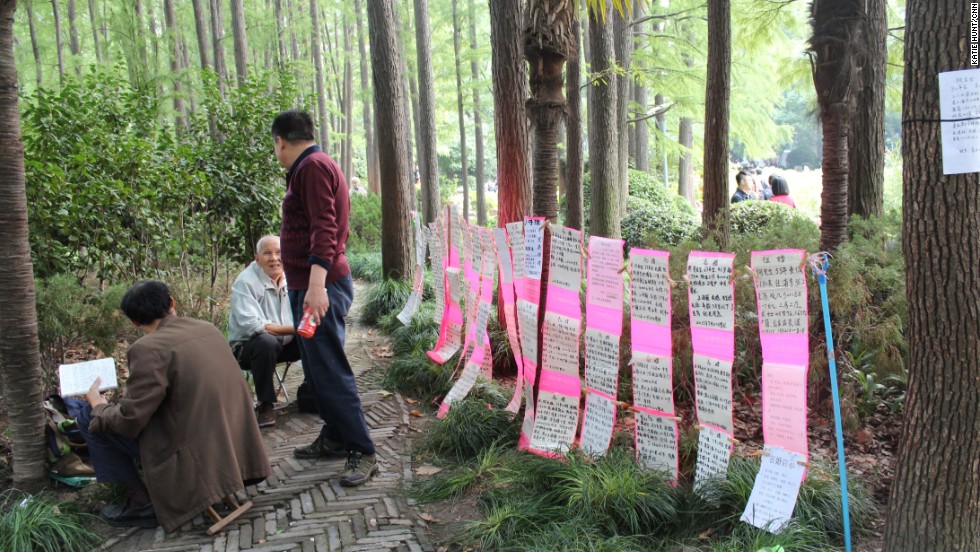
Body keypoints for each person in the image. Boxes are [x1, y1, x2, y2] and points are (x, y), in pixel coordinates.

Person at [66, 280, 270, 531]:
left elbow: (130, 420)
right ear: (171, 303)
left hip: (194, 454)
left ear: (134, 322)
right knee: (106, 414)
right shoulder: (208, 329)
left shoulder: (147, 349)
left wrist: (99, 405)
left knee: (90, 416)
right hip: (234, 444)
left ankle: (140, 501)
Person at [271, 110, 378, 487]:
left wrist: (316, 287)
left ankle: (362, 449)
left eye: (275, 145)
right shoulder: (310, 166)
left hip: (320, 287)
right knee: (317, 370)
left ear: (280, 140)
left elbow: (324, 227)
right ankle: (335, 435)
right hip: (310, 285)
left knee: (329, 369)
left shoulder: (312, 167)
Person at [228, 235, 301, 428]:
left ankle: (312, 391)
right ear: (257, 258)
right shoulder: (245, 282)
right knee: (266, 341)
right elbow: (255, 326)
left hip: (284, 343)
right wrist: (298, 328)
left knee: (315, 336)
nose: (274, 258)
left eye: (279, 252)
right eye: (267, 253)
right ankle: (265, 404)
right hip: (248, 349)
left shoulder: (292, 276)